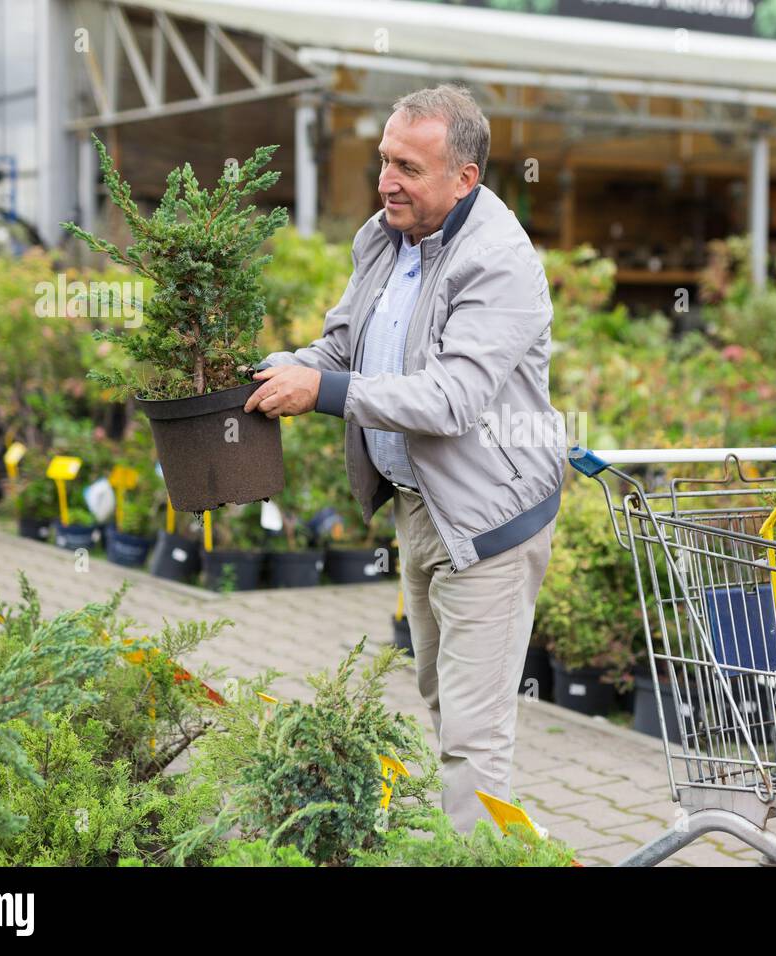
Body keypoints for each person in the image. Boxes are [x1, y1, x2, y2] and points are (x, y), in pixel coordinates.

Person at [244, 84, 563, 832]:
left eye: (409, 167)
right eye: (385, 159)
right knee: (441, 700)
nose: (387, 179)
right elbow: (344, 344)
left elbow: (451, 399)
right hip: (421, 509)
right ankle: (495, 843)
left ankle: (480, 852)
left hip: (488, 523)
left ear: (464, 178)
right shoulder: (385, 238)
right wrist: (282, 366)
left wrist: (318, 390)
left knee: (472, 737)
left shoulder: (498, 263)